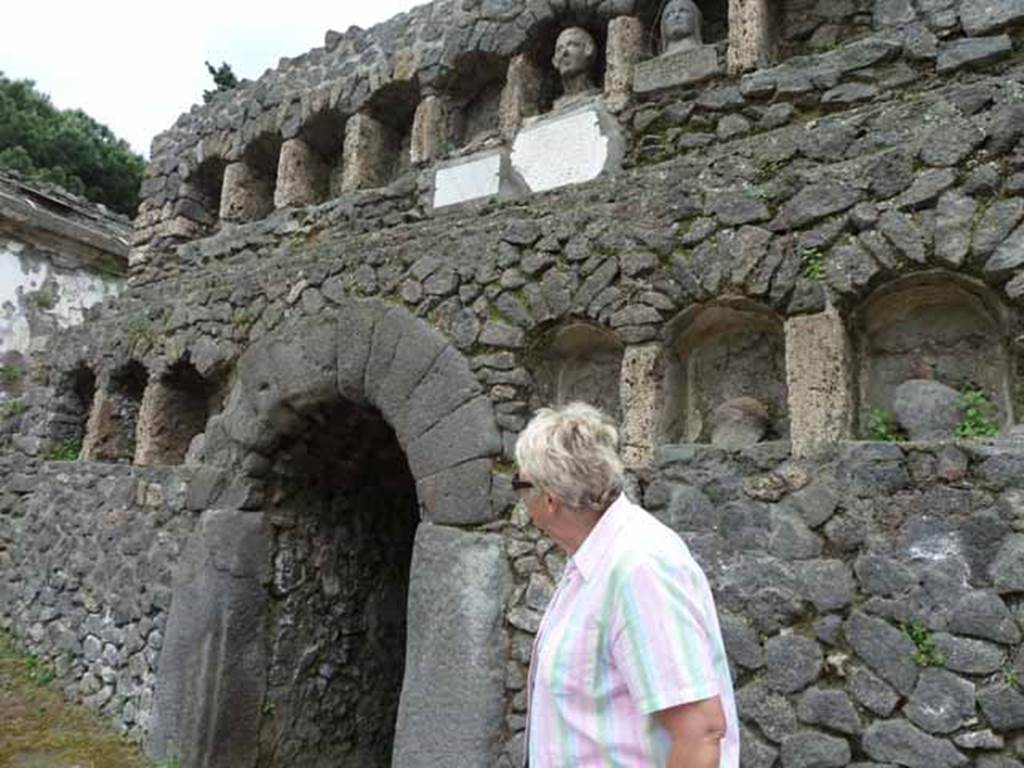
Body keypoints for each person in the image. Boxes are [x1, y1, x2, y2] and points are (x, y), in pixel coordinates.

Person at [515, 402, 738, 767]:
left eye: (518, 484)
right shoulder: (596, 562)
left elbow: (699, 732)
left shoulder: (639, 569)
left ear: (549, 499)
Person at [551, 27, 599, 106]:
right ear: (554, 62)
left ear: (588, 49)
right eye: (559, 49)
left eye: (571, 44)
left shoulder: (599, 98)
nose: (564, 52)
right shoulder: (557, 105)